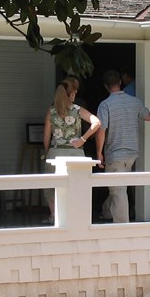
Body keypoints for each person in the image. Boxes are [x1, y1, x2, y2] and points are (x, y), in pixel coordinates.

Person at [94, 69, 150, 223]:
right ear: (120, 83)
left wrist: (99, 153)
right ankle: (107, 212)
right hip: (132, 153)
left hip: (115, 153)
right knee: (117, 187)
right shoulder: (135, 101)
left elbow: (101, 130)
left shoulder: (105, 105)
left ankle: (122, 226)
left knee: (118, 190)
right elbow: (148, 117)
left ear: (106, 86)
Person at [41, 78, 100, 224]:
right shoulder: (78, 110)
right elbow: (97, 122)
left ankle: (54, 215)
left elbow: (46, 137)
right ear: (72, 94)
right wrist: (83, 139)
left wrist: (47, 150)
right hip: (76, 153)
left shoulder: (51, 111)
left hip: (56, 153)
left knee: (50, 186)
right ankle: (77, 217)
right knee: (78, 187)